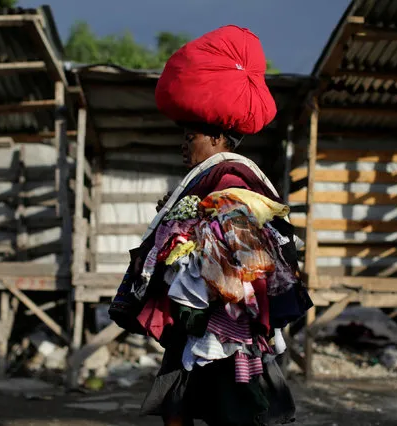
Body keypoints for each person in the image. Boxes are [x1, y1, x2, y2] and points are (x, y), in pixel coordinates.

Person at [109, 25, 312, 426]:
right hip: (206, 327)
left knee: (224, 412)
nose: (184, 145)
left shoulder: (232, 182)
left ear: (218, 137)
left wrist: (188, 235)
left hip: (225, 329)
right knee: (183, 408)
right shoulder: (213, 181)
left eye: (192, 136)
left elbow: (239, 256)